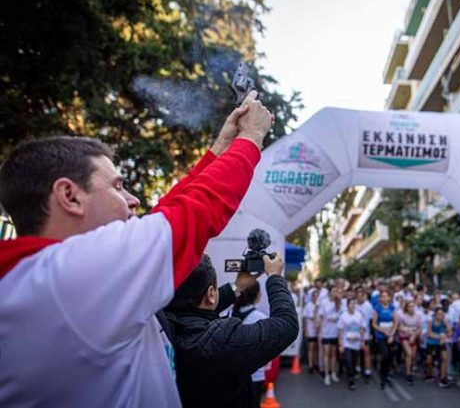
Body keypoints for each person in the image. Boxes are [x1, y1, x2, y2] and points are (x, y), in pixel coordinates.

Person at [0, 92, 272, 406]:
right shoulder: (67, 282)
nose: (134, 200)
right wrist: (251, 137)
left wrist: (220, 151)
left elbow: (164, 216)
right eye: (117, 186)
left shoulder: (46, 278)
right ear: (70, 196)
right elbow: (194, 214)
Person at [164, 253, 297, 408]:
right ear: (211, 293)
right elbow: (287, 325)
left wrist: (237, 286)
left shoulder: (162, 326)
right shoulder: (223, 340)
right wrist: (275, 277)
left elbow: (195, 308)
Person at [232, 279, 269, 407]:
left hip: (232, 373)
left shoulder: (230, 313)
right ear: (257, 295)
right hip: (255, 374)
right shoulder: (260, 318)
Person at [372, 290, 398, 389]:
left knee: (390, 356)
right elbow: (374, 324)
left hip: (390, 335)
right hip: (381, 336)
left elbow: (395, 322)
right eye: (382, 296)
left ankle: (386, 376)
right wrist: (383, 331)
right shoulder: (377, 308)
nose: (384, 298)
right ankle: (382, 377)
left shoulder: (392, 308)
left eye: (386, 296)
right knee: (385, 355)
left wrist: (392, 334)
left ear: (389, 298)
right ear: (380, 298)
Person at [338, 298, 366, 390]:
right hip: (347, 342)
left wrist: (362, 341)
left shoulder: (359, 315)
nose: (353, 305)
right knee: (348, 360)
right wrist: (341, 344)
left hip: (356, 342)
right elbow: (340, 330)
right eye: (351, 303)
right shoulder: (343, 316)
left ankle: (352, 374)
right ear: (347, 305)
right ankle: (351, 380)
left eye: (354, 303)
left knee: (354, 361)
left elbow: (362, 328)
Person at [318, 286, 343, 386]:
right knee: (326, 353)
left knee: (333, 354)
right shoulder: (324, 302)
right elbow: (321, 318)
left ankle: (333, 373)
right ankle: (326, 375)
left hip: (335, 332)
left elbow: (342, 317)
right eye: (333, 291)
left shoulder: (339, 303)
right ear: (330, 292)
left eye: (336, 291)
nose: (335, 292)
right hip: (326, 332)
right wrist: (320, 332)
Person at [426, 308, 452, 388]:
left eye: (442, 314)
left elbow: (450, 332)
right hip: (431, 342)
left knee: (444, 358)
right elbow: (429, 333)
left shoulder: (444, 321)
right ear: (435, 314)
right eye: (439, 314)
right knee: (429, 361)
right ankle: (430, 374)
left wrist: (445, 335)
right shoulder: (431, 321)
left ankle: (442, 379)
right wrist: (439, 336)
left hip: (441, 343)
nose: (440, 316)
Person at [397, 301, 422, 385]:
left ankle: (408, 368)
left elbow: (419, 328)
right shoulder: (402, 316)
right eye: (410, 306)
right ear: (406, 308)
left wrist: (414, 336)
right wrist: (409, 331)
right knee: (409, 353)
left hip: (414, 336)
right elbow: (399, 327)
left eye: (413, 306)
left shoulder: (418, 316)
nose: (411, 308)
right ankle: (408, 374)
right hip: (404, 336)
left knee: (413, 356)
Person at [355, 287, 375, 378]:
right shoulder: (354, 304)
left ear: (364, 296)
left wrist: (371, 333)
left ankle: (368, 371)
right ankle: (358, 368)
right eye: (358, 296)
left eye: (361, 296)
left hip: (366, 331)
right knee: (357, 351)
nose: (360, 298)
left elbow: (371, 320)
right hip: (355, 331)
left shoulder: (368, 305)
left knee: (366, 351)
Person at [303, 290, 320, 373]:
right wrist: (306, 330)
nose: (315, 298)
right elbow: (306, 318)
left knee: (317, 347)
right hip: (311, 329)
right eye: (314, 296)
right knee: (311, 347)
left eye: (317, 296)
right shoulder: (308, 305)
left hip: (318, 330)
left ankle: (316, 363)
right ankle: (310, 365)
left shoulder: (320, 305)